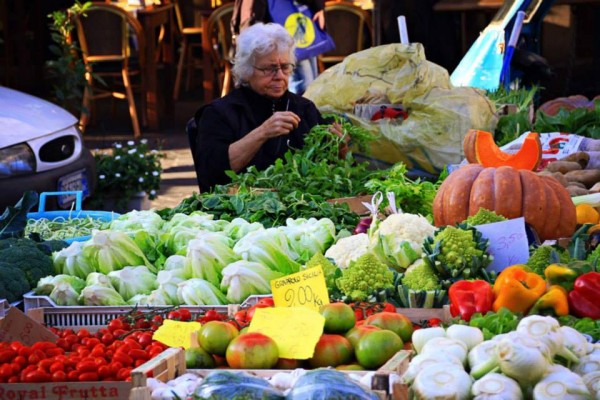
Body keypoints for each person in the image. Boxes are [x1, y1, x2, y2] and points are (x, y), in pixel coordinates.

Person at [191, 23, 342, 193]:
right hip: (238, 209)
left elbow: (324, 175)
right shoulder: (219, 113)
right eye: (269, 69)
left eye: (285, 67)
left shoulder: (304, 108)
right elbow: (212, 175)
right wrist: (263, 132)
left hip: (299, 205)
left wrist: (338, 148)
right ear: (246, 70)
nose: (279, 76)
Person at [230, 0, 325, 95]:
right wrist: (318, 6)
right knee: (303, 84)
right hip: (275, 24)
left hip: (287, 21)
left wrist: (318, 6)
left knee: (306, 83)